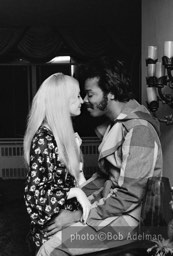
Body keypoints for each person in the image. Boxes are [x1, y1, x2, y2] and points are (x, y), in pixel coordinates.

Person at [36, 57, 163, 256]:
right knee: (50, 229)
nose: (85, 100)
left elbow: (130, 195)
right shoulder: (117, 124)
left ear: (111, 92)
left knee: (50, 250)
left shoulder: (139, 129)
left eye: (90, 94)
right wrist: (66, 200)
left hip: (131, 219)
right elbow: (104, 178)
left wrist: (77, 215)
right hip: (113, 209)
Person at [23, 73, 91, 251]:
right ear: (62, 101)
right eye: (77, 96)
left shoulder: (62, 135)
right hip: (51, 233)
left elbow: (72, 178)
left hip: (70, 223)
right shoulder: (44, 138)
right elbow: (34, 194)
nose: (82, 101)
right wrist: (76, 192)